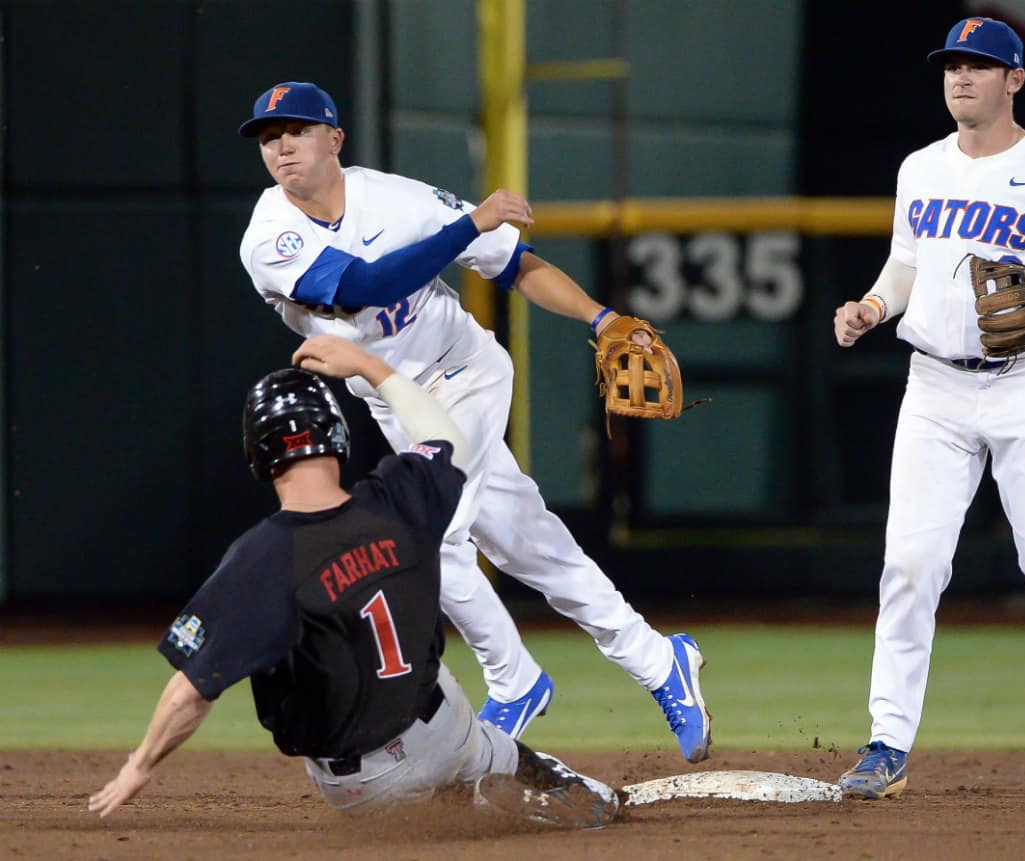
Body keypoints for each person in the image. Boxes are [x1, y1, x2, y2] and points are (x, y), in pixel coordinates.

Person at [235, 82, 710, 762]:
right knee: (531, 545)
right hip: (398, 402)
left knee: (428, 536)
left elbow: (516, 264)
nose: (280, 145)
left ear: (335, 139)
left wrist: (601, 317)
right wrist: (470, 224)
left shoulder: (399, 200)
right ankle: (662, 661)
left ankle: (515, 680)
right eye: (267, 136)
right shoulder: (267, 236)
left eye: (297, 130)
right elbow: (363, 285)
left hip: (466, 376)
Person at [89, 335, 619, 829]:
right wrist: (369, 365)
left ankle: (461, 802)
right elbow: (444, 436)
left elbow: (190, 693)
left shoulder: (263, 557)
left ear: (259, 454)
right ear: (336, 434)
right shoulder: (398, 496)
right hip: (445, 728)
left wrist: (139, 766)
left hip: (363, 785)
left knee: (372, 751)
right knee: (487, 748)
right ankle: (559, 788)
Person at [832, 17, 1025, 800]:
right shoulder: (920, 168)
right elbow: (905, 262)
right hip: (933, 387)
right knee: (909, 565)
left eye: (979, 66)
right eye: (952, 66)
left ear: (1015, 79)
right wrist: (871, 304)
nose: (961, 77)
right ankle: (886, 743)